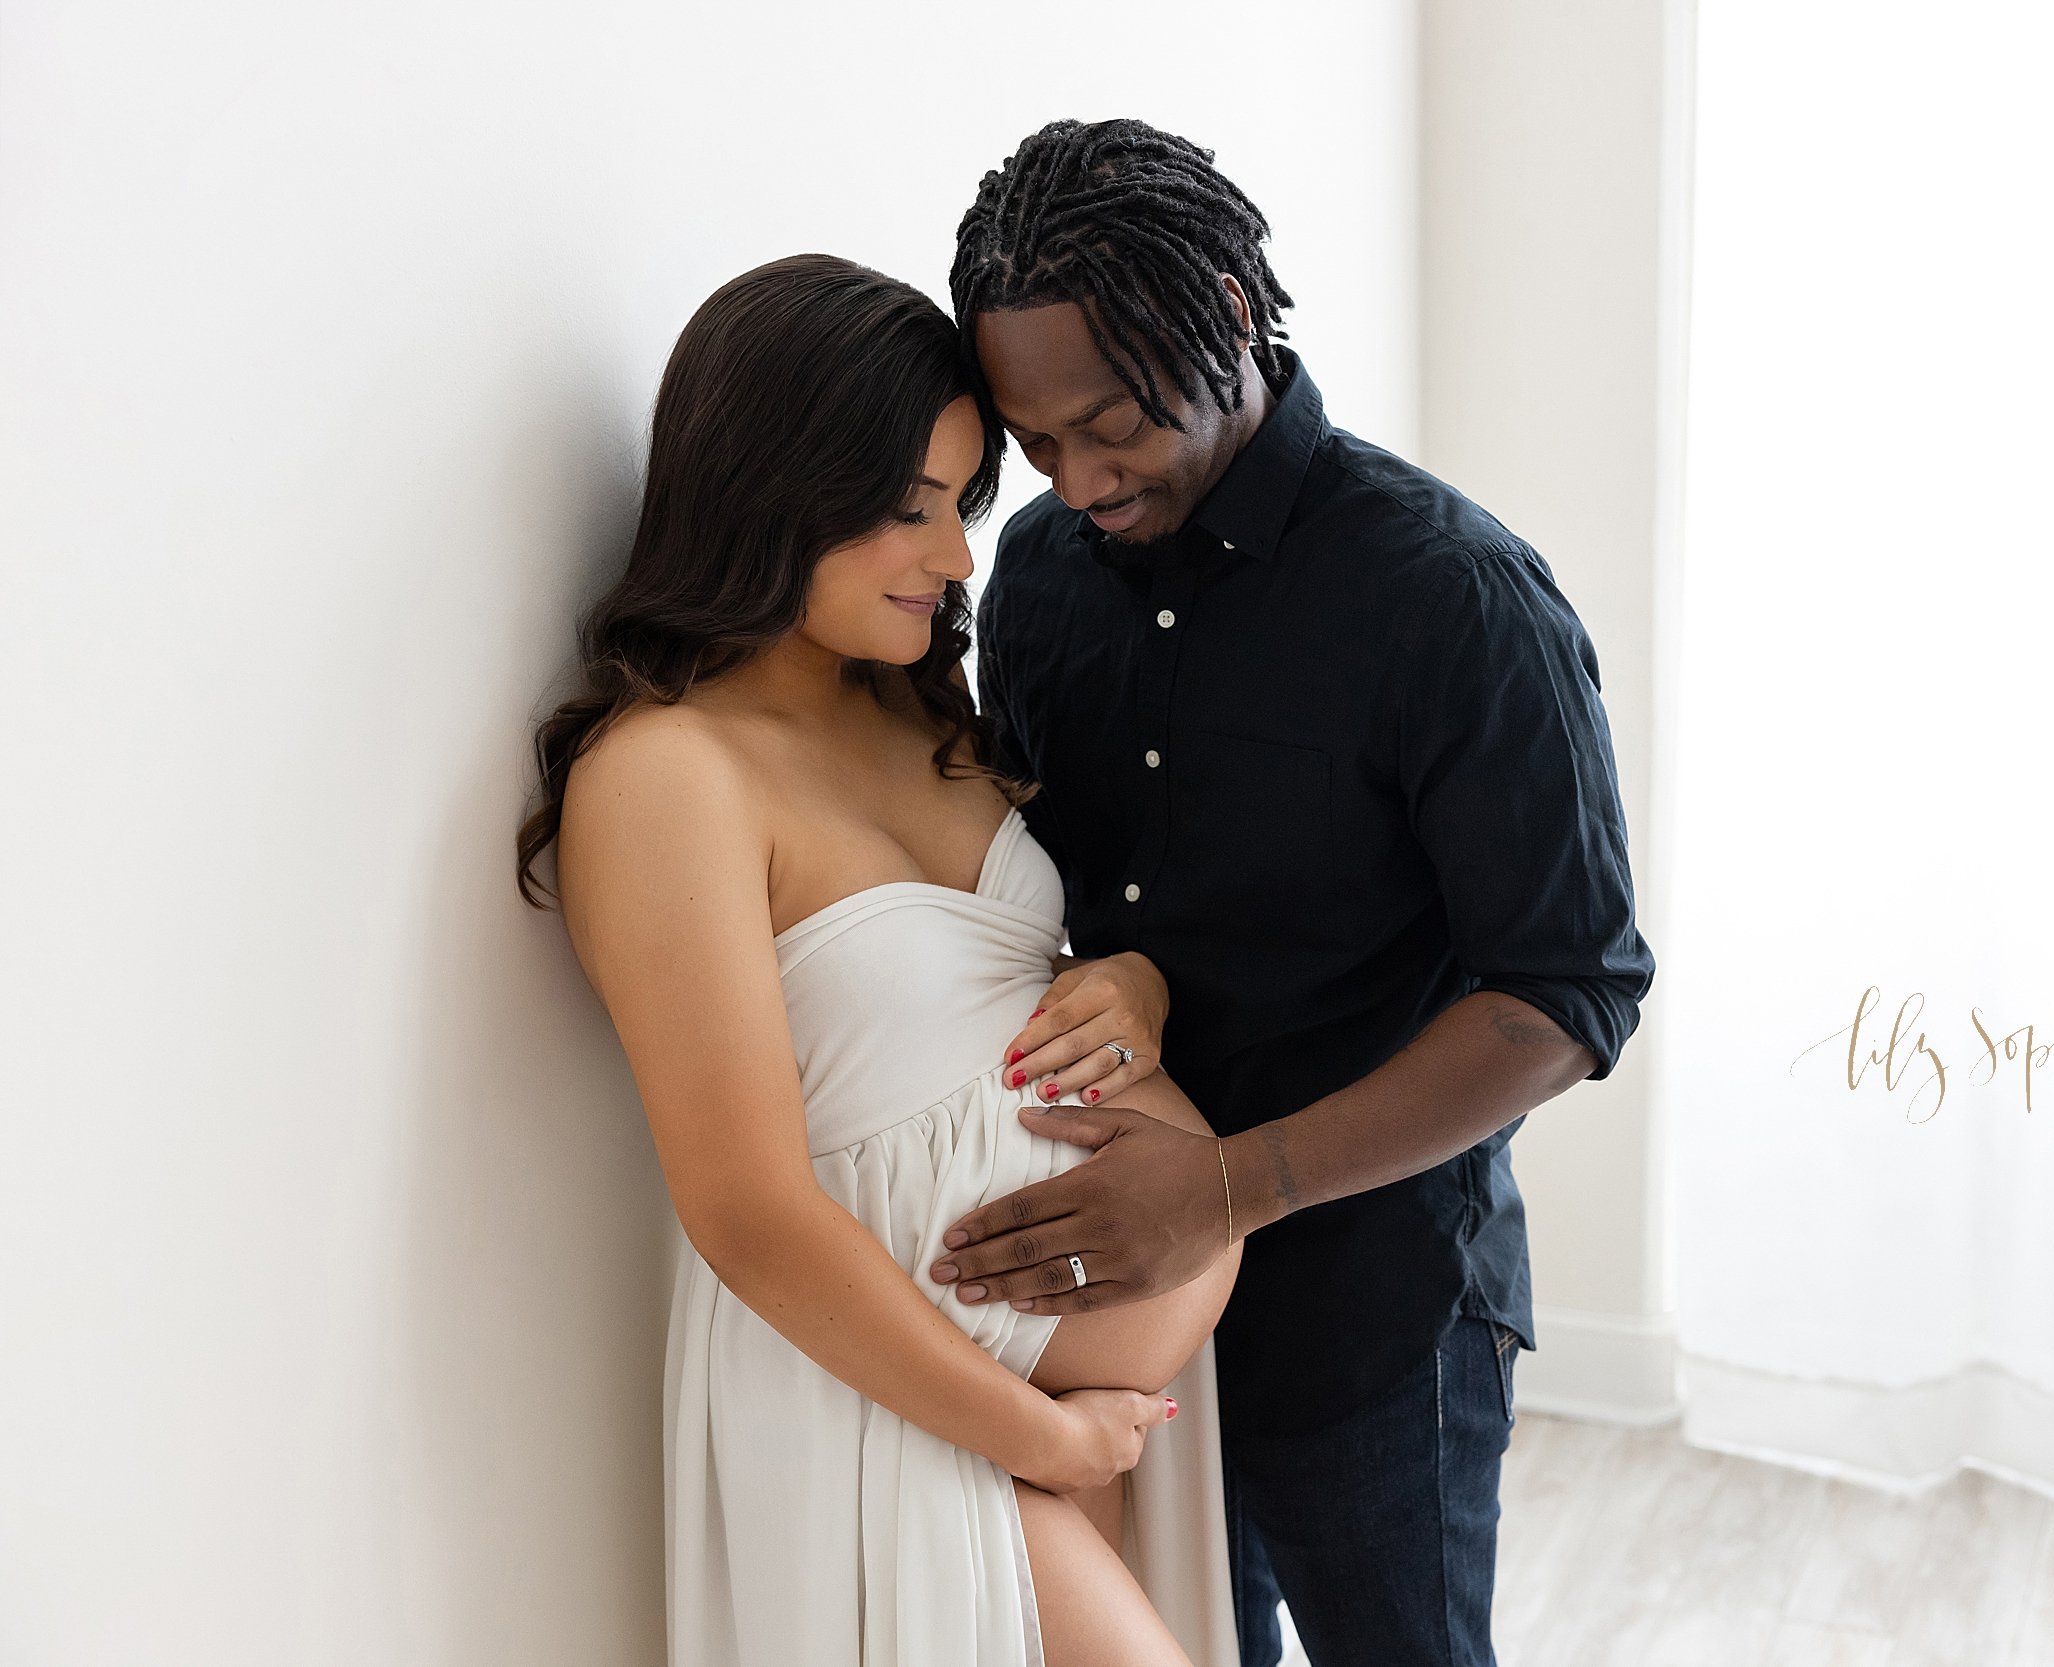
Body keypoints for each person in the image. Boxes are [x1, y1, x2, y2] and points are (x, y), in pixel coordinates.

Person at [934, 120, 1656, 1667]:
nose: (1075, 478)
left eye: (1111, 421)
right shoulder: (1042, 579)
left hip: (1378, 1320)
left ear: (1221, 298)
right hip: (1120, 1316)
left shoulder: (1455, 599)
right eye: (1035, 444)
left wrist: (1224, 1190)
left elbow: (1568, 994)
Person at [515, 253, 1243, 1667]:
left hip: (1039, 1414)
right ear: (771, 493)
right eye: (911, 511)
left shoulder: (919, 707)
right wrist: (1042, 1429)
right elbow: (749, 1213)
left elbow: (984, 992)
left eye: (963, 505)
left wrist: (1133, 983)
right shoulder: (670, 778)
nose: (961, 557)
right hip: (889, 1405)